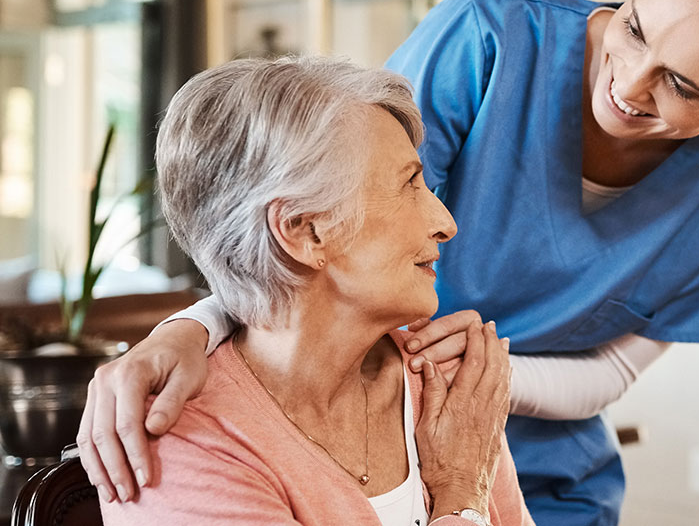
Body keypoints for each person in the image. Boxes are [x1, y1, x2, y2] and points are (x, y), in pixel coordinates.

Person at [79, 0, 699, 525]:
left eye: (681, 84)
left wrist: (466, 429)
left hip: (538, 465)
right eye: (634, 27)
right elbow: (315, 220)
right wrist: (190, 328)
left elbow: (606, 375)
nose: (628, 87)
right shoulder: (490, 41)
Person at [98, 56, 533, 526]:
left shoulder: (446, 388)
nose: (445, 223)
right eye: (409, 184)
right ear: (305, 232)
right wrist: (461, 491)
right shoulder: (182, 443)